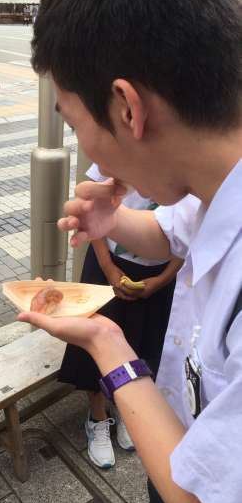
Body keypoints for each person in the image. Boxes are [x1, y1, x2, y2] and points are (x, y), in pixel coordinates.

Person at [20, 0, 242, 503]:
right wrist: (112, 220)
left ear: (126, 108)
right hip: (183, 457)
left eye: (74, 123)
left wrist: (108, 344)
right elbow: (173, 230)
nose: (83, 147)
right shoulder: (218, 181)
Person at [60, 163, 183, 469]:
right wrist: (109, 268)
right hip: (109, 263)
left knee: (141, 345)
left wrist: (162, 280)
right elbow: (94, 212)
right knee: (94, 345)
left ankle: (126, 408)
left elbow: (189, 233)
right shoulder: (118, 150)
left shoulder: (187, 163)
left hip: (159, 272)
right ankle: (97, 417)